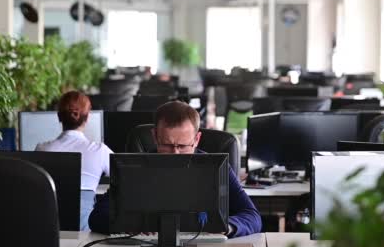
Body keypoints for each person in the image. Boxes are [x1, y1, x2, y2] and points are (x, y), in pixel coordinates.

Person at [88, 101, 262, 237]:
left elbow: (252, 216)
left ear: (197, 139)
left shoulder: (216, 168)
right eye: (168, 145)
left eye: (182, 146)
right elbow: (97, 216)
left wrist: (227, 227)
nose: (175, 153)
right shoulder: (134, 168)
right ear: (155, 136)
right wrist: (133, 223)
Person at [35, 91, 112, 231]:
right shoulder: (100, 150)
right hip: (86, 239)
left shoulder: (42, 149)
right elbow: (127, 180)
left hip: (48, 235)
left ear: (59, 116)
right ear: (87, 117)